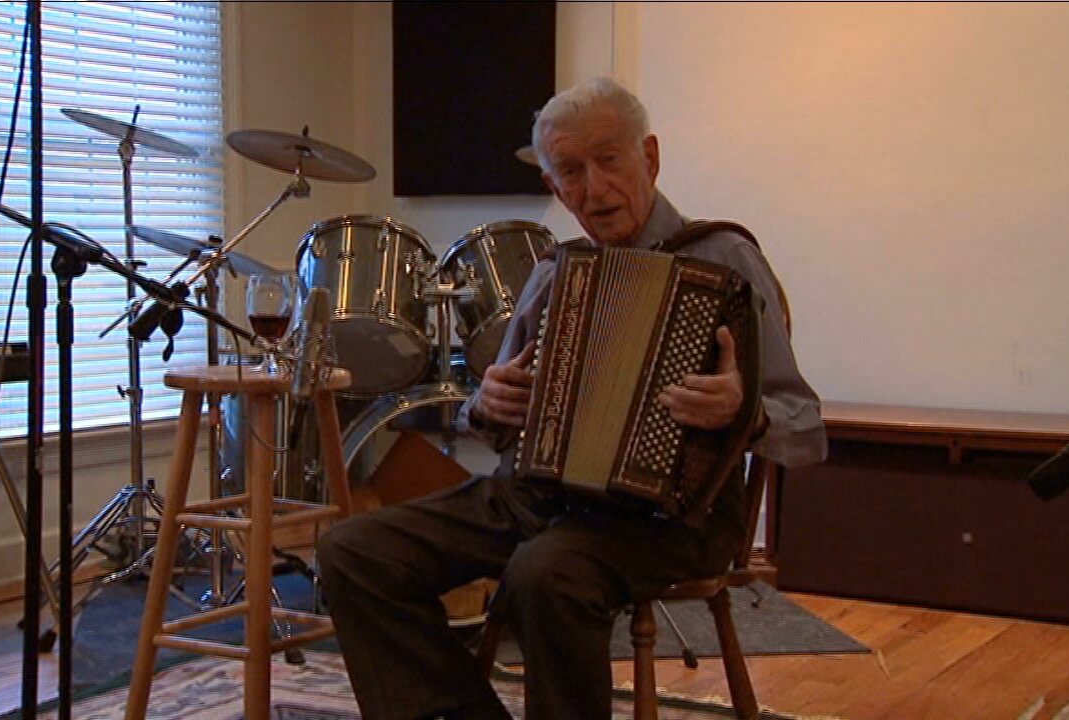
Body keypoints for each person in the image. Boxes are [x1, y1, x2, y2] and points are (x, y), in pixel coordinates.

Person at [316, 76, 826, 720]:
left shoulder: (725, 260)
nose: (593, 187)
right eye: (570, 172)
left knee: (544, 573)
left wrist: (743, 413)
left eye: (609, 160)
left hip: (673, 519)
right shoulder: (556, 271)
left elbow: (805, 425)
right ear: (554, 187)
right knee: (354, 550)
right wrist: (486, 404)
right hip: (535, 498)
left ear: (651, 157)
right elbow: (491, 415)